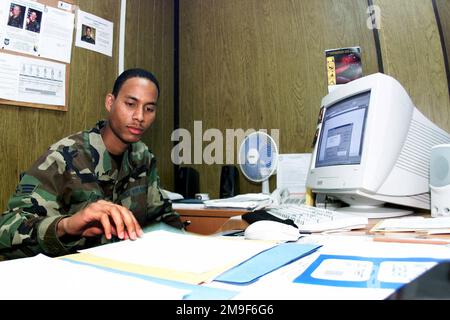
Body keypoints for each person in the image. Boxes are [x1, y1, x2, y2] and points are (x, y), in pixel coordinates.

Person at [0, 68, 184, 261]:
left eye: (149, 109)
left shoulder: (142, 156)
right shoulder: (65, 157)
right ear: (110, 103)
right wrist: (67, 225)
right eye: (130, 104)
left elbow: (163, 215)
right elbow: (7, 228)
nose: (140, 116)